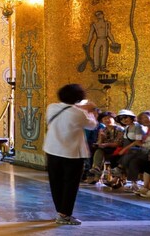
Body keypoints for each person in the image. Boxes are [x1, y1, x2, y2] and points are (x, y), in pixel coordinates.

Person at [44, 83, 98, 226]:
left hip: (52, 150)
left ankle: (60, 212)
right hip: (72, 154)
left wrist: (81, 109)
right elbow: (92, 125)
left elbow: (68, 111)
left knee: (56, 183)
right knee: (70, 185)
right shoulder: (79, 113)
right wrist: (91, 111)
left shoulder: (51, 108)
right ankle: (65, 215)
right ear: (79, 98)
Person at [84, 111, 124, 184]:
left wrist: (105, 144)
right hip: (106, 149)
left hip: (117, 149)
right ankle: (96, 170)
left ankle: (96, 173)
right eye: (104, 119)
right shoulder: (103, 130)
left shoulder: (119, 129)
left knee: (99, 151)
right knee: (97, 150)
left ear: (114, 119)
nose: (107, 120)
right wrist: (101, 138)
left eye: (109, 118)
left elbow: (118, 143)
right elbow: (99, 143)